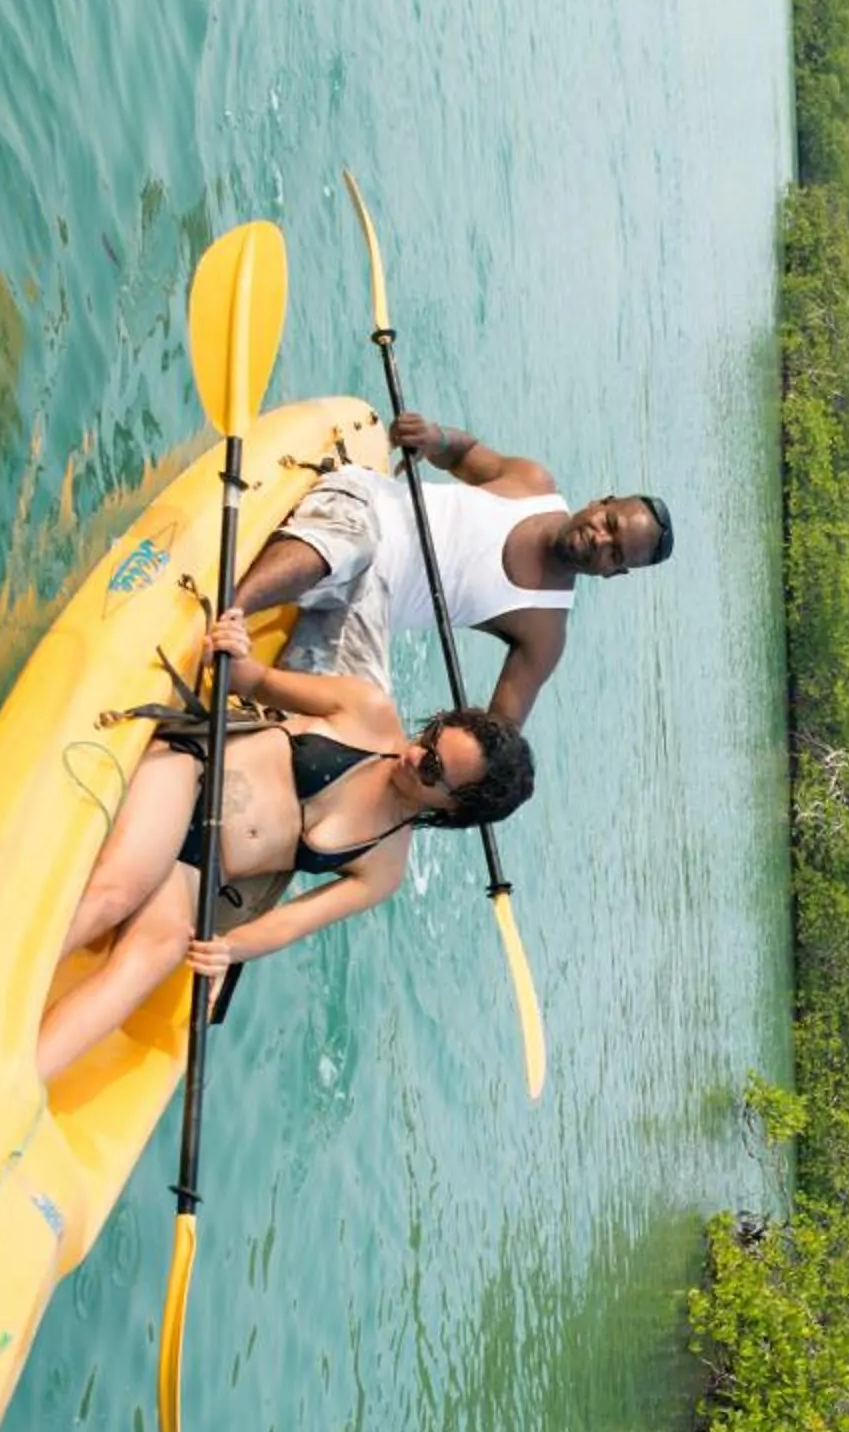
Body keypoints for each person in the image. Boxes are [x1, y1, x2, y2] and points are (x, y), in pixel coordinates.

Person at [35, 609, 535, 1080]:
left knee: (158, 951)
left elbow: (292, 921)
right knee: (118, 892)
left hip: (199, 867)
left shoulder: (384, 865)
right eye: (429, 736)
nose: (412, 754)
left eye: (431, 769)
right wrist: (235, 644)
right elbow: (257, 680)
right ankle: (3, 985)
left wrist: (228, 948)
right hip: (188, 775)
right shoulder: (367, 710)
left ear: (454, 808)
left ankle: (21, 1074)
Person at [233, 410, 673, 731]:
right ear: (602, 502)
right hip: (363, 512)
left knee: (368, 727)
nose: (600, 540)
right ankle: (232, 609)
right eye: (609, 524)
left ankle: (238, 725)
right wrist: (434, 437)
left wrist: (473, 763)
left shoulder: (545, 630)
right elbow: (463, 454)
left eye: (615, 554)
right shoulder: (532, 483)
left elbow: (501, 730)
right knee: (352, 548)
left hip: (367, 611)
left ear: (614, 575)